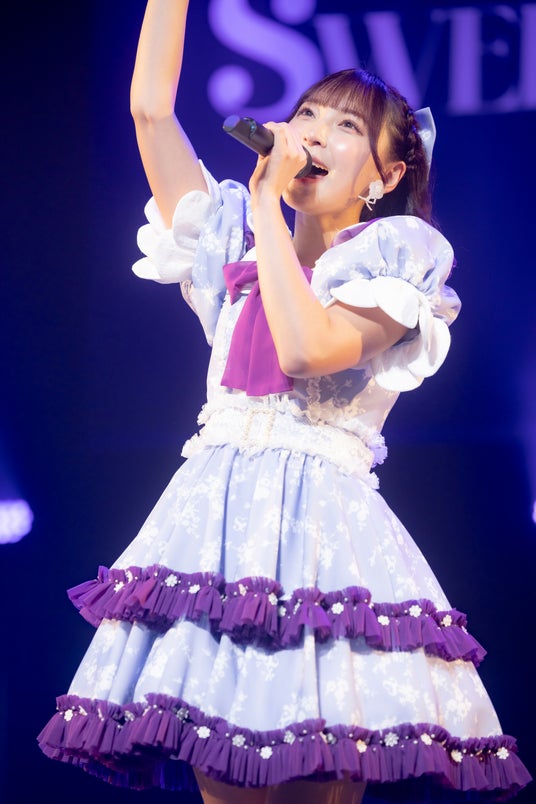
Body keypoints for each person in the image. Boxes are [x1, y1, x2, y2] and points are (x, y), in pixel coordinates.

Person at [38, 1, 531, 802]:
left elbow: (307, 349)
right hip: (214, 539)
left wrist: (267, 204)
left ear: (387, 177)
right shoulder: (232, 240)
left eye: (346, 126)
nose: (313, 134)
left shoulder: (395, 260)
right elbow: (150, 111)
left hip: (325, 548)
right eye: (306, 115)